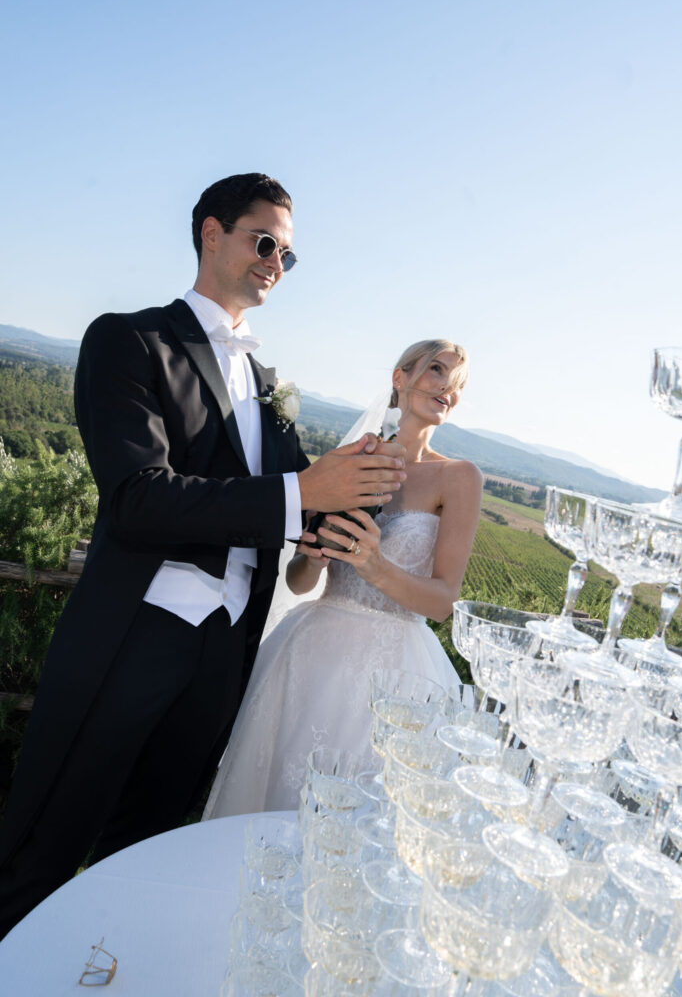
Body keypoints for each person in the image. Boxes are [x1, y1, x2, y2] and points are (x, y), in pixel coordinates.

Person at [0, 173, 406, 938]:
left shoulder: (266, 383)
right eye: (264, 242)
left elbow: (287, 505)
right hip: (135, 636)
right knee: (45, 845)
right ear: (210, 233)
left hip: (225, 654)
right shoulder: (129, 340)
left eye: (288, 255)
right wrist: (300, 489)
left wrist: (340, 499)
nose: (275, 263)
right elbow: (138, 498)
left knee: (150, 853)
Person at [203, 339, 483, 817]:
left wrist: (374, 563)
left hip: (394, 675)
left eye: (457, 385)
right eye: (437, 372)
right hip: (311, 654)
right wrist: (312, 557)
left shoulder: (459, 478)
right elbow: (297, 582)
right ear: (401, 378)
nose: (447, 390)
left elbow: (443, 602)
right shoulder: (350, 461)